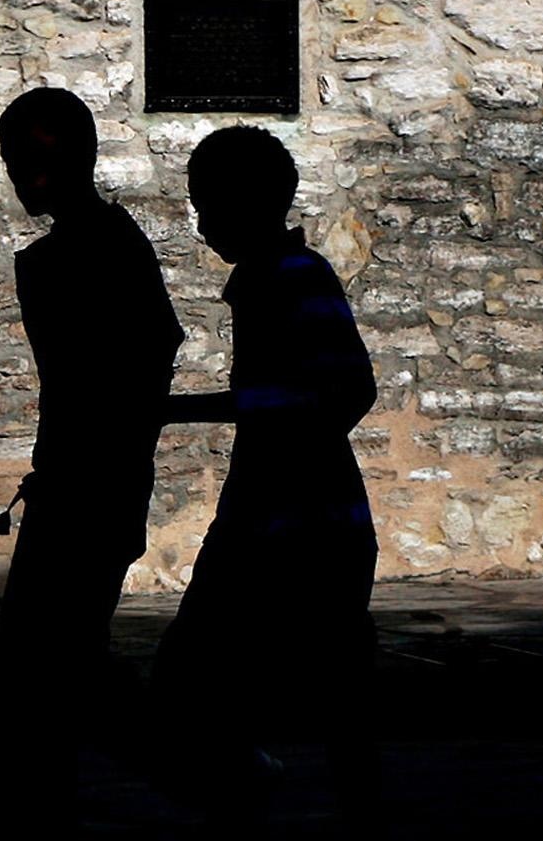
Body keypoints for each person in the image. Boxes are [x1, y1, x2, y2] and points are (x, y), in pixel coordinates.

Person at [155, 125, 378, 811]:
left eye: (207, 206)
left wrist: (181, 410)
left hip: (300, 522)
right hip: (274, 515)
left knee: (200, 675)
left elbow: (347, 389)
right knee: (241, 681)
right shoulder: (267, 281)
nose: (201, 225)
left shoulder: (296, 279)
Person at [0, 86, 185, 822]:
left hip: (91, 490)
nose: (20, 176)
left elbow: (142, 358)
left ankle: (216, 766)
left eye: (31, 160)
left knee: (45, 674)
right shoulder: (79, 250)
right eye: (13, 162)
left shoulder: (95, 252)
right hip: (79, 485)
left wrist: (101, 455)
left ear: (72, 159)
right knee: (49, 674)